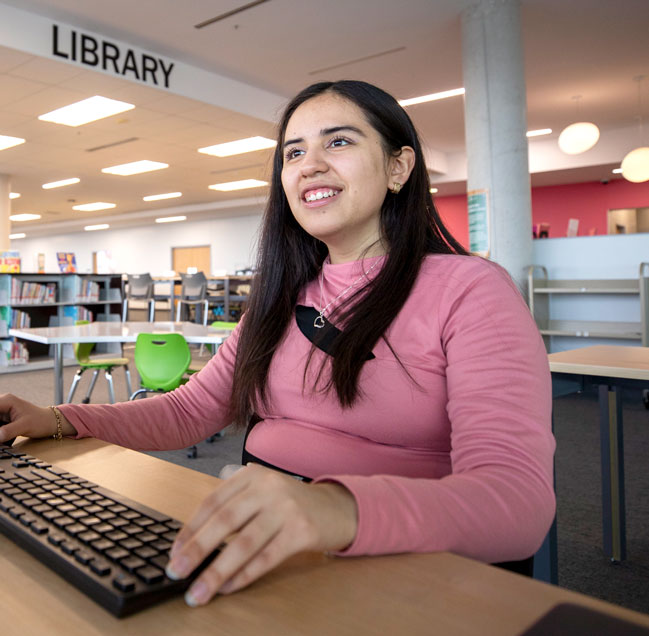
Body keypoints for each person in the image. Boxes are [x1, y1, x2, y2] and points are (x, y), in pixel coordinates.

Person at [0, 80, 555, 608]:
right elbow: (191, 410)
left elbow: (515, 500)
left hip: (398, 568)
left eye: (339, 141)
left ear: (398, 166)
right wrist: (55, 418)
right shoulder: (281, 295)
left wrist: (330, 506)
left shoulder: (471, 291)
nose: (310, 163)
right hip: (265, 549)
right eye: (293, 153)